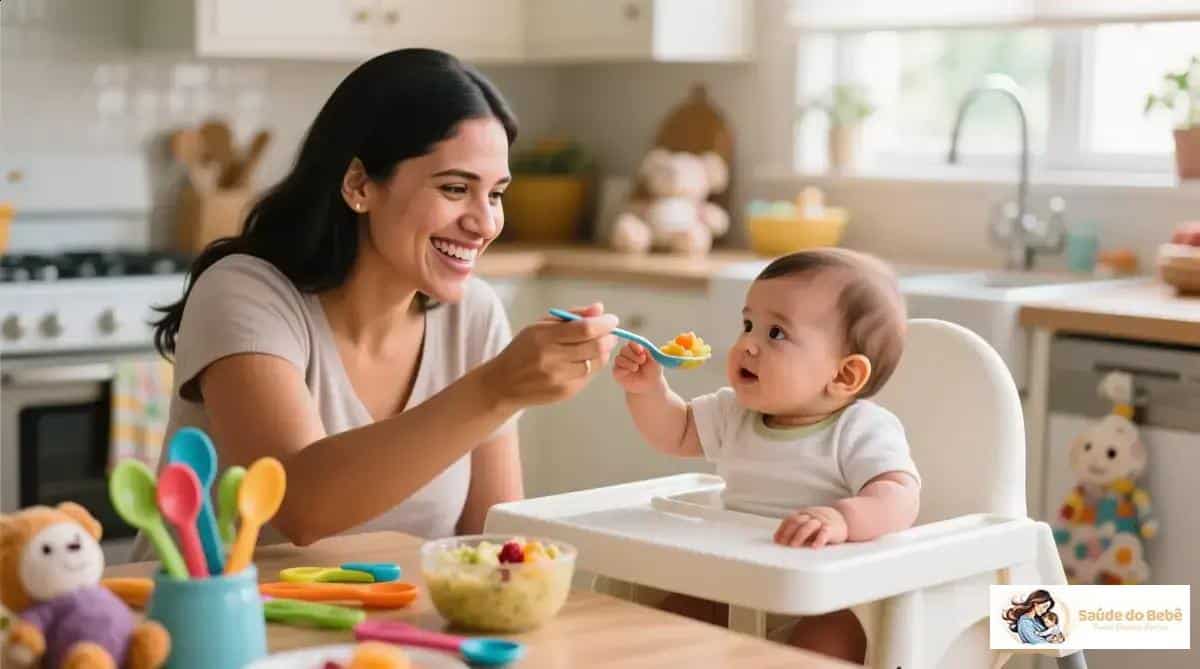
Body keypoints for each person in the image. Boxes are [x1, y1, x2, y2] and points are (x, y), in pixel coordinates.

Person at [133, 49, 617, 559]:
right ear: (359, 184)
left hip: (389, 630)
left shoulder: (473, 315)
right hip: (215, 628)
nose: (485, 223)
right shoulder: (245, 293)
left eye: (495, 194)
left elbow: (493, 546)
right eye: (455, 188)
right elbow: (299, 506)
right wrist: (496, 388)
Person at [611, 248, 921, 664]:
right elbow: (677, 432)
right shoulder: (734, 413)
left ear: (844, 375)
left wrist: (842, 519)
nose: (747, 345)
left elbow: (899, 495)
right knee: (669, 625)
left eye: (775, 334)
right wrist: (647, 390)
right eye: (748, 324)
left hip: (827, 595)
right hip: (738, 578)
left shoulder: (860, 428)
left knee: (831, 641)